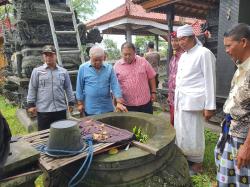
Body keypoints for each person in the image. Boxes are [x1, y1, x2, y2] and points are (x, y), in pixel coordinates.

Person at [174, 24, 216, 173]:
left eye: (183, 39)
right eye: (179, 39)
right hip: (181, 101)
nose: (180, 42)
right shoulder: (183, 56)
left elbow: (210, 80)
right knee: (182, 133)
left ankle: (197, 164)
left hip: (195, 102)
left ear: (192, 37)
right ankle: (185, 158)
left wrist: (210, 106)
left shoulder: (204, 53)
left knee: (194, 133)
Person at [214, 23, 250, 186]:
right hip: (229, 131)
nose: (226, 50)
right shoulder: (240, 67)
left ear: (243, 42)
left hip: (243, 139)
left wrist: (247, 146)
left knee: (241, 180)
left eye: (229, 45)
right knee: (227, 179)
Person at [27, 45, 75, 131]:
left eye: (51, 55)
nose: (48, 57)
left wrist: (71, 103)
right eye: (46, 55)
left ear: (56, 55)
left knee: (62, 134)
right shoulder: (37, 71)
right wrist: (31, 104)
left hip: (60, 110)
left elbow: (68, 88)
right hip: (44, 111)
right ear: (43, 57)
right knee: (44, 135)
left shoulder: (63, 72)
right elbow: (32, 88)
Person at [76, 46, 126, 116]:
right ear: (90, 57)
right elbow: (79, 87)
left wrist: (119, 102)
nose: (98, 62)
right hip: (91, 109)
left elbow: (115, 85)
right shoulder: (83, 68)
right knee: (92, 126)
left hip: (107, 108)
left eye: (100, 60)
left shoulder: (109, 68)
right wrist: (80, 103)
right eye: (95, 60)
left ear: (103, 58)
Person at [114, 42, 157, 114]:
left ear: (134, 53)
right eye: (125, 54)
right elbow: (114, 84)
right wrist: (116, 101)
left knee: (146, 124)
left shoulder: (143, 61)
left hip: (145, 103)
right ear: (121, 53)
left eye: (130, 54)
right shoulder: (116, 66)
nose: (127, 56)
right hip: (127, 105)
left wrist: (153, 92)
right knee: (129, 125)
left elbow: (151, 77)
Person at [167, 31, 184, 127]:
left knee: (179, 121)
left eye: (176, 40)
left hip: (180, 96)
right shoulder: (173, 57)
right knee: (173, 121)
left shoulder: (184, 57)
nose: (174, 43)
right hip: (172, 95)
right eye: (172, 40)